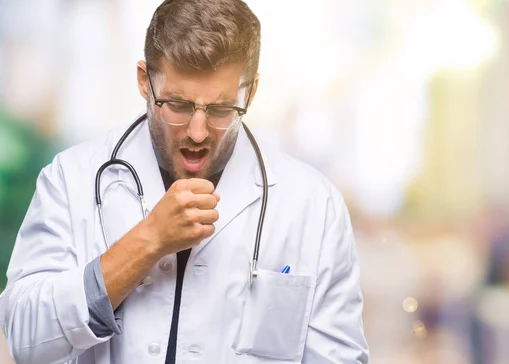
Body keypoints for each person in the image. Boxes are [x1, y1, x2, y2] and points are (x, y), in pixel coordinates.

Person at [0, 1, 369, 363]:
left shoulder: (313, 206)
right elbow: (26, 338)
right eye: (177, 104)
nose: (197, 132)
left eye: (222, 109)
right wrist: (149, 241)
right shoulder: (71, 179)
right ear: (145, 82)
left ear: (250, 93)